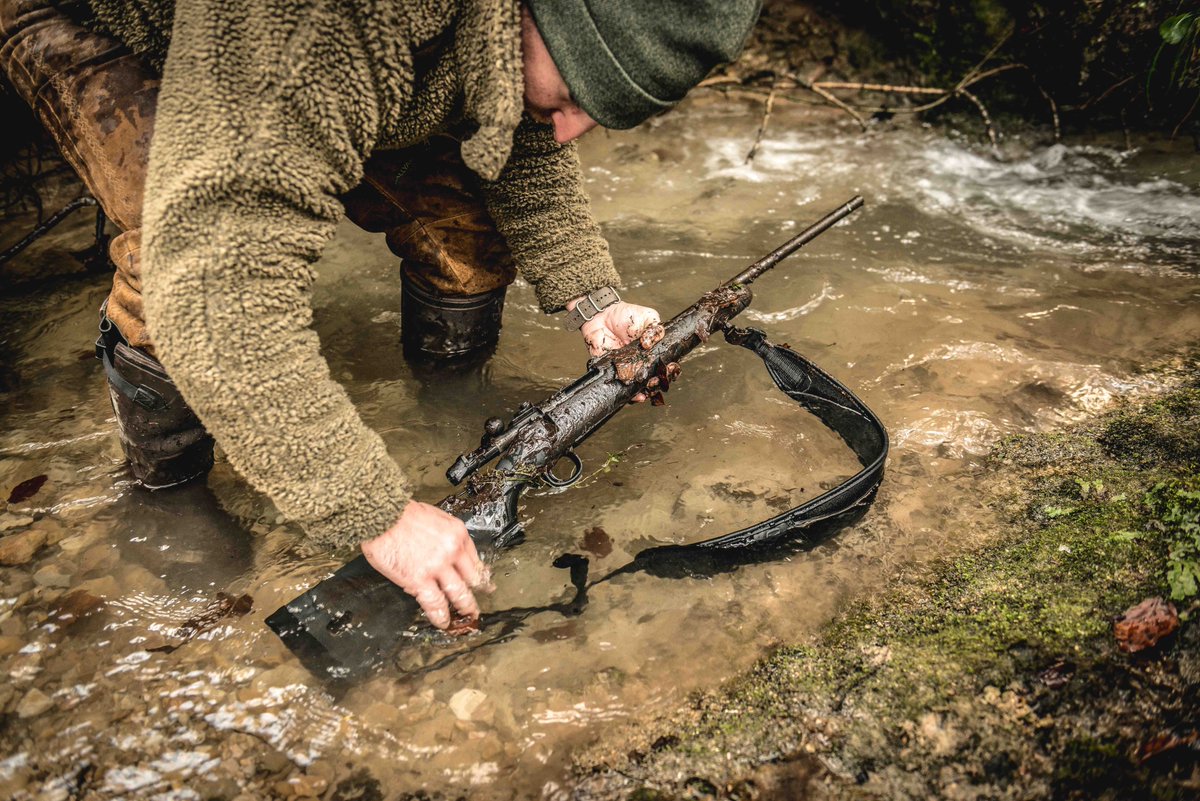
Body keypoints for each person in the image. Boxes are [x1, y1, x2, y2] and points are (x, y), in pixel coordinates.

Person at [0, 0, 762, 630]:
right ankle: (166, 489)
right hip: (111, 17)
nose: (568, 130)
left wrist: (595, 301)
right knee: (169, 246)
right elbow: (216, 290)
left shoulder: (510, 32)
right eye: (572, 99)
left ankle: (451, 407)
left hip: (327, 64)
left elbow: (516, 133)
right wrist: (377, 515)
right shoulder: (325, 26)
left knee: (467, 233)